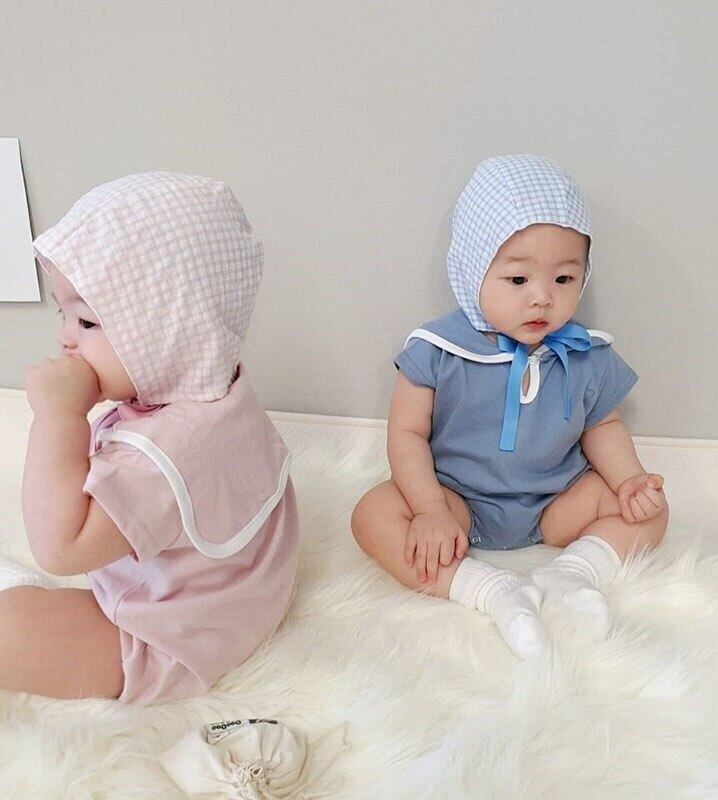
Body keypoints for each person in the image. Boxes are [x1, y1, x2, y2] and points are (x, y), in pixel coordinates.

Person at [352, 155, 668, 660]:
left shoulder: (585, 354)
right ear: (474, 269)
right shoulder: (437, 349)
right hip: (455, 501)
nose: (542, 299)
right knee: (372, 515)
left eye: (563, 280)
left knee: (649, 510)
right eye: (519, 280)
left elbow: (603, 426)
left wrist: (629, 479)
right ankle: (487, 589)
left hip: (555, 505)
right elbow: (406, 435)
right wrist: (431, 510)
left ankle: (571, 574)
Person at [0, 172, 299, 703]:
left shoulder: (160, 456)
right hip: (239, 599)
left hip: (170, 642)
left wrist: (57, 416)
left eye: (86, 321)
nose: (64, 338)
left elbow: (59, 548)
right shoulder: (223, 393)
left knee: (10, 634)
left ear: (166, 333)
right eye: (63, 314)